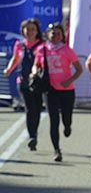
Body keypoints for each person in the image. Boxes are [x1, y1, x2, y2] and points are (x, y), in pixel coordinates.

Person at [32, 23, 82, 162]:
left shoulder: (67, 50)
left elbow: (79, 69)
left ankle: (67, 126)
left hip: (67, 90)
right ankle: (56, 150)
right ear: (47, 34)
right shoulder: (42, 49)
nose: (55, 35)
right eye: (52, 33)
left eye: (58, 33)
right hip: (50, 90)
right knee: (54, 121)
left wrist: (69, 80)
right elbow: (36, 65)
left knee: (66, 117)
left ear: (62, 35)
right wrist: (34, 73)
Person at [3, 18, 43, 151]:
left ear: (37, 31)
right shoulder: (19, 44)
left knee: (36, 108)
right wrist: (9, 69)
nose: (30, 32)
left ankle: (34, 133)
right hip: (23, 80)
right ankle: (32, 136)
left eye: (33, 29)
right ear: (23, 31)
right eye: (28, 29)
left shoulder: (42, 45)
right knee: (30, 108)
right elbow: (15, 59)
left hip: (37, 81)